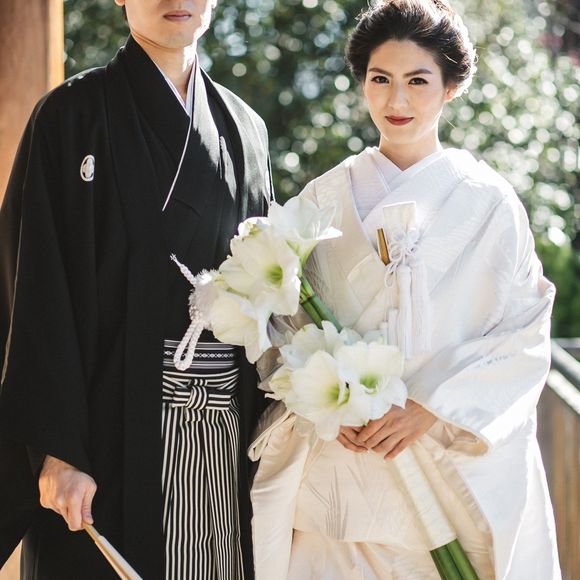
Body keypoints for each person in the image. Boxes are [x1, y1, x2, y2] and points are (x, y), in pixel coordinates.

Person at [249, 0, 561, 578]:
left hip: (437, 468)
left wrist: (431, 405)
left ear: (451, 87)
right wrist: (324, 398)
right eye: (380, 80)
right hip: (339, 469)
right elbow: (284, 323)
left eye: (417, 81)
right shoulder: (322, 198)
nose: (396, 100)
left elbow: (522, 334)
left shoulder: (490, 203)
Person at [0, 1, 272, 578]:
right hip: (103, 439)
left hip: (223, 441)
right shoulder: (69, 116)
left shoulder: (246, 129)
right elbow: (34, 291)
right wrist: (56, 448)